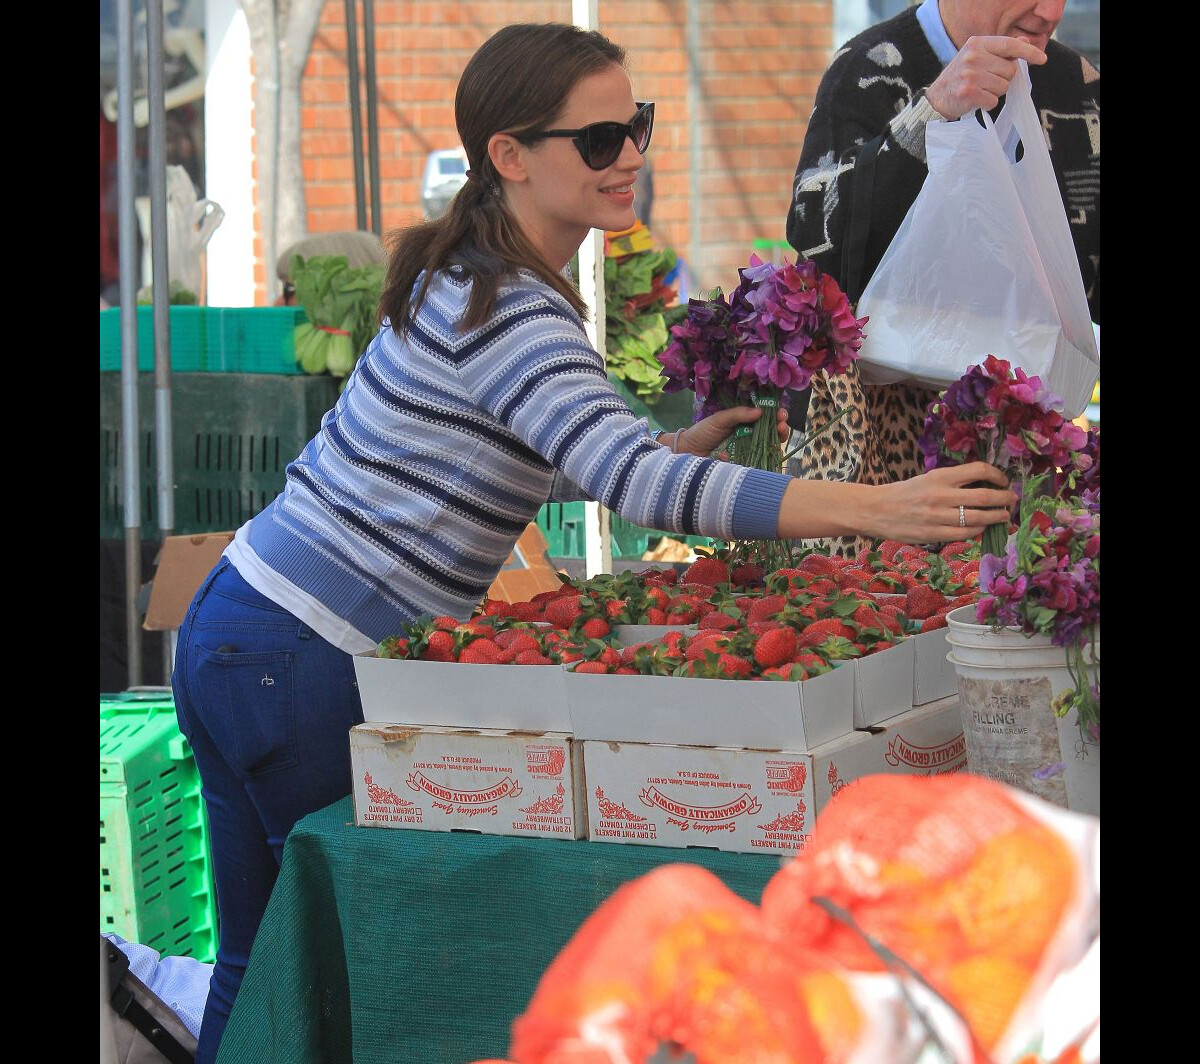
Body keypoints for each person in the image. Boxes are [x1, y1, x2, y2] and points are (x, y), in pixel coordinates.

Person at [171, 22, 1016, 1062]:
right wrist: (877, 507)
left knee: (260, 965)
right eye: (600, 138)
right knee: (300, 966)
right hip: (300, 650)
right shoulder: (512, 307)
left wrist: (664, 440)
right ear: (509, 156)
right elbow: (639, 486)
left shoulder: (479, 274)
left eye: (638, 127)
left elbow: (509, 449)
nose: (631, 159)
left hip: (250, 625)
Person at [783, 0, 1099, 556]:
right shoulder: (871, 67)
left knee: (1028, 624)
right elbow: (815, 237)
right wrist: (932, 112)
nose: (1050, 11)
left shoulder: (1075, 83)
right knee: (890, 621)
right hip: (882, 452)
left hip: (1031, 442)